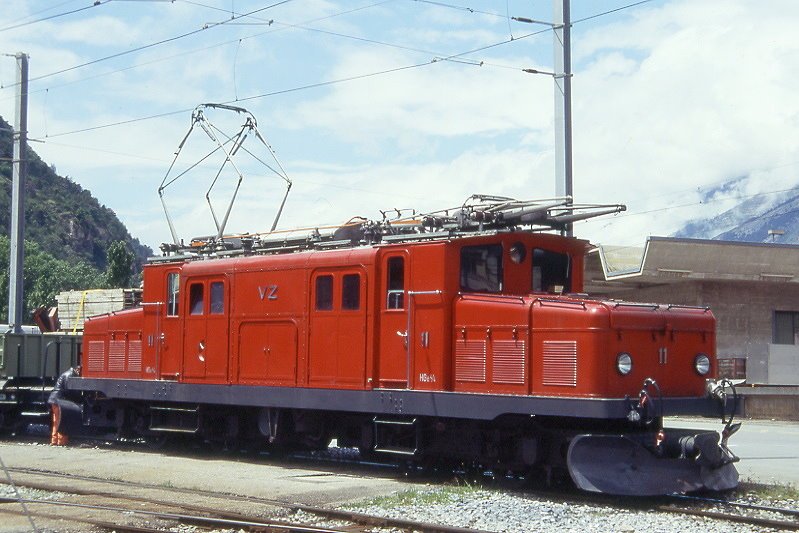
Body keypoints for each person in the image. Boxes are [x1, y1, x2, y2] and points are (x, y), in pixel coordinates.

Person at [48, 366, 79, 446]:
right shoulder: (69, 375)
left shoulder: (67, 374)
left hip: (55, 399)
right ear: (77, 370)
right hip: (59, 400)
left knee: (56, 421)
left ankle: (54, 440)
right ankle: (61, 441)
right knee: (62, 421)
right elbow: (69, 389)